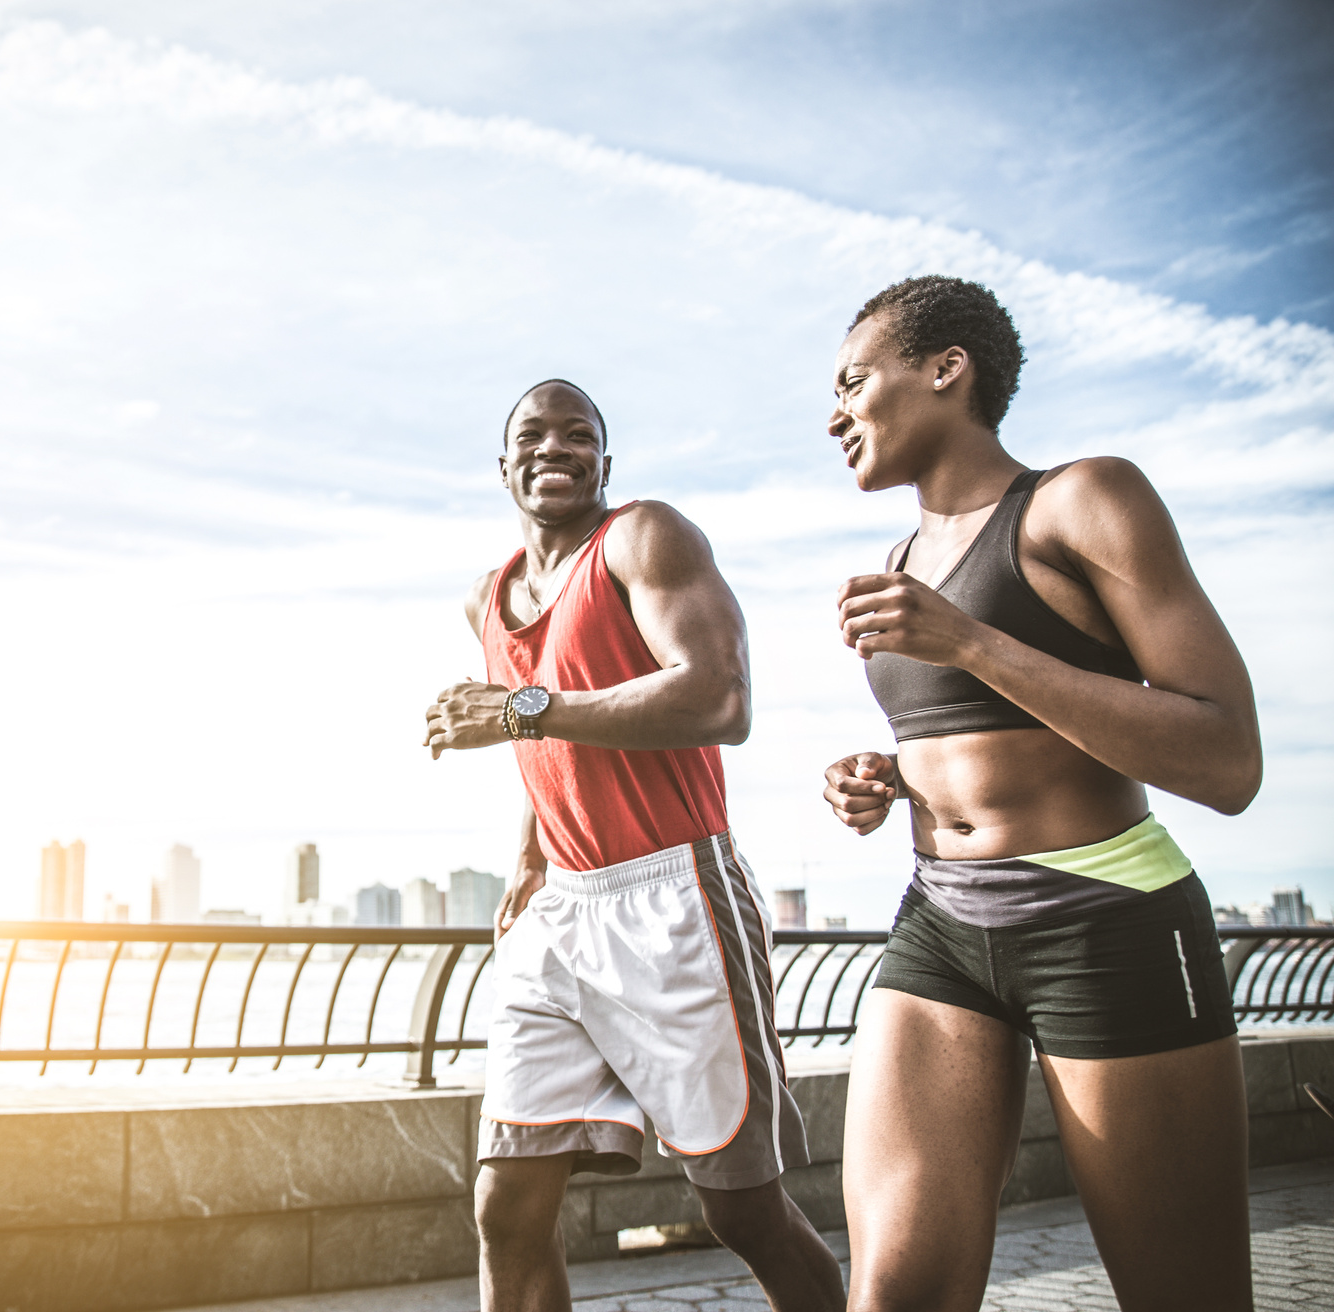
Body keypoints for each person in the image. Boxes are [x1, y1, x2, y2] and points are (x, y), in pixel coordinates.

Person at [821, 276, 1261, 1312]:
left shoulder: (1084, 498)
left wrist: (968, 638)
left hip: (1106, 917)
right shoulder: (899, 561)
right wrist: (885, 779)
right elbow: (984, 736)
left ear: (946, 368)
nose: (833, 413)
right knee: (894, 1294)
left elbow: (1227, 757)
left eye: (852, 381)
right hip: (940, 920)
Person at [424, 380, 844, 1312]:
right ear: (502, 467)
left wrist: (519, 708)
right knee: (506, 1205)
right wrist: (531, 855)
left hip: (675, 894)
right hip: (558, 910)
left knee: (743, 1214)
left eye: (579, 436)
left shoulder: (644, 537)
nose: (555, 448)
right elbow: (541, 738)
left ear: (604, 465)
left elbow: (716, 700)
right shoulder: (484, 600)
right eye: (531, 435)